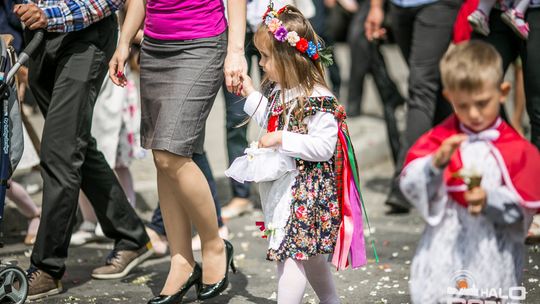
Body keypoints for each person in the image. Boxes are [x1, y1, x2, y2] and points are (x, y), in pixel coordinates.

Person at [108, 0, 247, 302]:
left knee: (172, 154)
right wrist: (123, 42)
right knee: (162, 155)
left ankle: (214, 245)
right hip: (155, 46)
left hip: (202, 42)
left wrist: (236, 51)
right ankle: (181, 260)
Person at [14, 0, 153, 300]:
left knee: (59, 152)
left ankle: (47, 268)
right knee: (76, 144)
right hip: (38, 37)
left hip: (84, 37)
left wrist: (47, 15)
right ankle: (131, 235)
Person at [235, 5, 367, 303]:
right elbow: (273, 118)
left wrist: (282, 138)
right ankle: (330, 299)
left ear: (289, 58)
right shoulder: (284, 92)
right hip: (289, 191)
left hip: (305, 195)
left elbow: (323, 147)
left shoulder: (318, 97)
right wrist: (249, 94)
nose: (262, 63)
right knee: (307, 256)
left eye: (267, 57)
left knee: (291, 255)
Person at [399, 41, 540, 303]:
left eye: (482, 103)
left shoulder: (516, 149)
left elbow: (523, 211)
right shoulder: (439, 141)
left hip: (492, 253)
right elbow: (411, 188)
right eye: (462, 106)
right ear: (449, 98)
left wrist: (490, 200)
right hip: (445, 250)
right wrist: (435, 165)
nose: (473, 114)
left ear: (502, 92)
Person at [365, 0, 460, 214]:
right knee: (431, 86)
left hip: (438, 5)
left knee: (421, 87)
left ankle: (404, 183)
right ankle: (460, 161)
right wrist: (376, 7)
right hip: (401, 7)